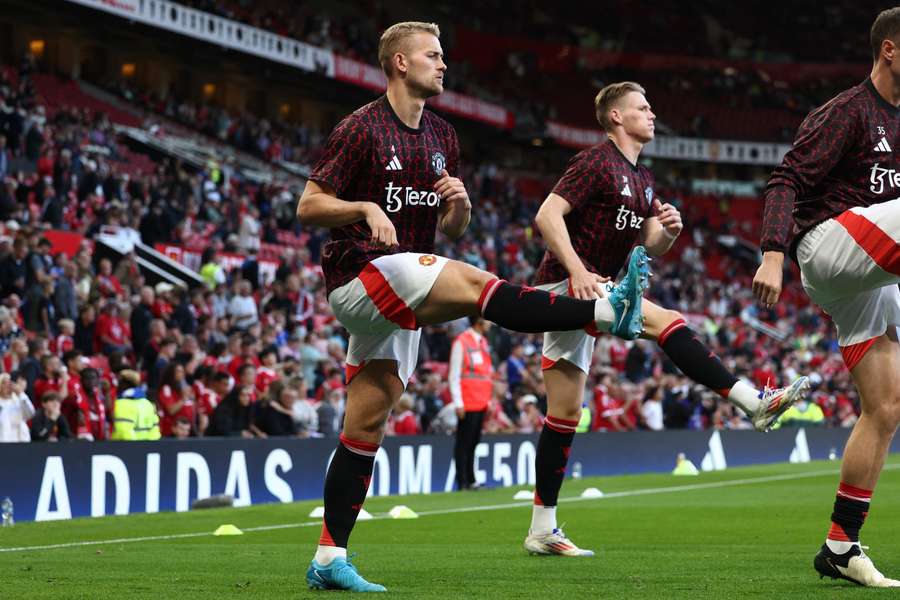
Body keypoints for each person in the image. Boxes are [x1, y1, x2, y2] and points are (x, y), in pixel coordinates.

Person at [297, 22, 650, 592]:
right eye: (432, 56)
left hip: (406, 281)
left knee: (366, 421)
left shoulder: (443, 136)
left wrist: (456, 208)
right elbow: (308, 204)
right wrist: (362, 206)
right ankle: (606, 313)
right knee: (473, 282)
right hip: (358, 276)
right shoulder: (361, 127)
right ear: (400, 64)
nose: (443, 64)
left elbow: (450, 229)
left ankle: (328, 558)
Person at [522, 80, 812, 557]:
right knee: (665, 320)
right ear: (616, 116)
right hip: (567, 286)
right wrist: (575, 271)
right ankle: (750, 401)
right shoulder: (596, 161)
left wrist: (665, 235)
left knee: (565, 415)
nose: (652, 114)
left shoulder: (643, 178)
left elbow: (642, 246)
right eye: (643, 107)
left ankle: (541, 529)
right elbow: (548, 215)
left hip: (594, 288)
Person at [752, 8, 900, 587]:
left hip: (870, 273)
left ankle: (840, 546)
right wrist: (771, 252)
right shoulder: (849, 110)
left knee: (885, 408)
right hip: (826, 244)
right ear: (889, 49)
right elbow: (786, 179)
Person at [449, 317, 493, 490]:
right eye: (488, 320)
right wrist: (457, 401)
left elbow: (485, 374)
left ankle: (472, 479)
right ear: (479, 321)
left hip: (481, 400)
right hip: (467, 401)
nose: (490, 323)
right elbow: (454, 375)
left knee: (474, 442)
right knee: (464, 443)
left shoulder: (483, 342)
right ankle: (462, 481)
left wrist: (488, 400)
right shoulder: (462, 342)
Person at [110, 370, 160, 441]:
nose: (118, 385)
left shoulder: (122, 403)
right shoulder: (148, 403)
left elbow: (123, 431)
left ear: (125, 383)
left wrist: (135, 448)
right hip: (146, 448)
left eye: (119, 382)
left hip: (125, 449)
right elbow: (155, 431)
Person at [0, 373, 34, 442]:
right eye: (4, 383)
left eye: (9, 383)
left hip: (20, 439)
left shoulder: (20, 399)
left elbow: (31, 413)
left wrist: (21, 393)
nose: (7, 385)